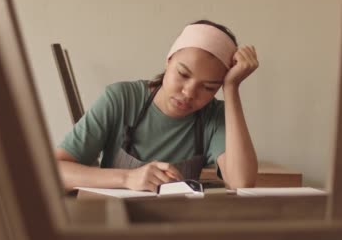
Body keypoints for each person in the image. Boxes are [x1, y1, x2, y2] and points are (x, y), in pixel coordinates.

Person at [55, 19, 258, 192]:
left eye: (208, 87)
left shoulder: (214, 116)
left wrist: (232, 88)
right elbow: (55, 171)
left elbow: (241, 183)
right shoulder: (121, 99)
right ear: (168, 61)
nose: (188, 93)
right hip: (116, 225)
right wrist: (127, 178)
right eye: (183, 74)